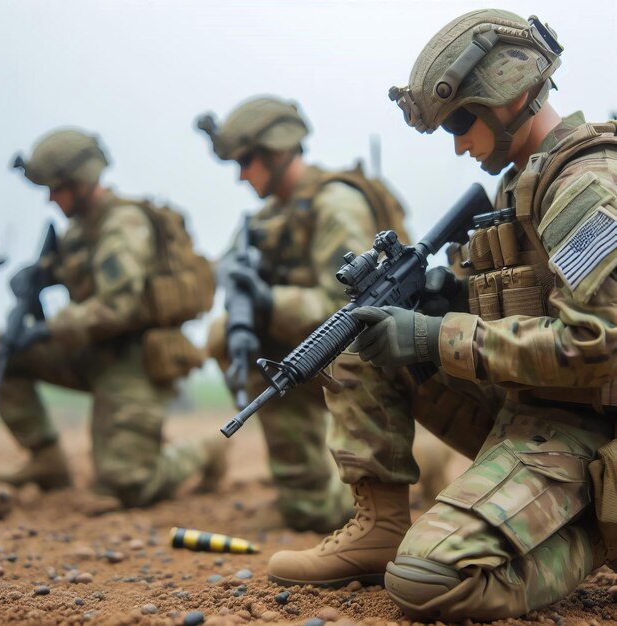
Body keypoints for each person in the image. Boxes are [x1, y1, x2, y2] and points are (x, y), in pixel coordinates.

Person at [345, 8, 617, 621]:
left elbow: (594, 344)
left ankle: (595, 525)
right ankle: (378, 527)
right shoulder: (520, 186)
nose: (460, 141)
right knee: (364, 337)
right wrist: (452, 301)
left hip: (590, 428)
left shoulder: (586, 186)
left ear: (513, 94)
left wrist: (436, 335)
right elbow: (532, 303)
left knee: (427, 582)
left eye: (462, 121)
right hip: (531, 410)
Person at [196, 95, 420, 535]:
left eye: (246, 160)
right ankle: (307, 486)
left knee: (314, 515)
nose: (240, 175)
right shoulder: (267, 217)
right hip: (314, 353)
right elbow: (220, 276)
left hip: (368, 355)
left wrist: (267, 302)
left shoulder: (334, 205)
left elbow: (357, 309)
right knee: (226, 333)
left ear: (278, 151)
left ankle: (388, 477)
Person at [0, 128, 226, 511]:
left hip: (136, 360)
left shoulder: (122, 224)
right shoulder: (79, 229)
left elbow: (120, 307)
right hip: (91, 352)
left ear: (80, 181)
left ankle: (206, 449)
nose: (52, 198)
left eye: (57, 187)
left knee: (128, 486)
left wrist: (48, 328)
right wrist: (39, 280)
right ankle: (47, 461)